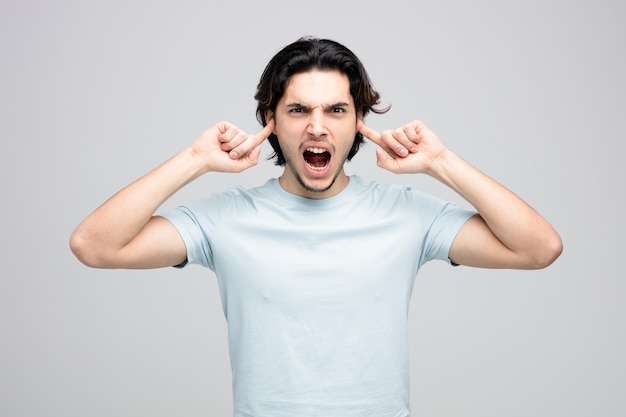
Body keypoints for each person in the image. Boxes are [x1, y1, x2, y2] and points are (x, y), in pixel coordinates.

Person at [70, 37, 562, 416]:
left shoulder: (408, 213)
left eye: (336, 110)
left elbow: (539, 248)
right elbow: (93, 245)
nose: (318, 127)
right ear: (272, 121)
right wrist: (195, 160)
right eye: (299, 109)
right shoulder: (223, 218)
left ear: (358, 122)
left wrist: (441, 163)